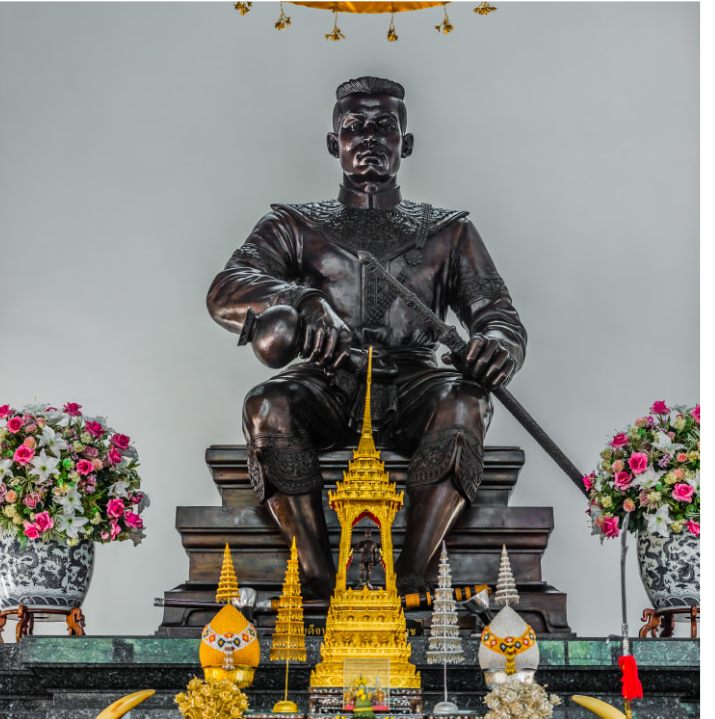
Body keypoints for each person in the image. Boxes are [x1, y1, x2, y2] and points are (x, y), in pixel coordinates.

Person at [210, 76, 526, 595]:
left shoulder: (449, 231)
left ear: (407, 142)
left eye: (385, 126)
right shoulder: (295, 225)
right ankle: (314, 576)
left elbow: (497, 313)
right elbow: (227, 289)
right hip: (327, 381)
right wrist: (303, 302)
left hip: (418, 381)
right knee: (267, 405)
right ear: (335, 143)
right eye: (355, 128)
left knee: (467, 404)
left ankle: (413, 572)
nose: (370, 138)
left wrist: (497, 345)